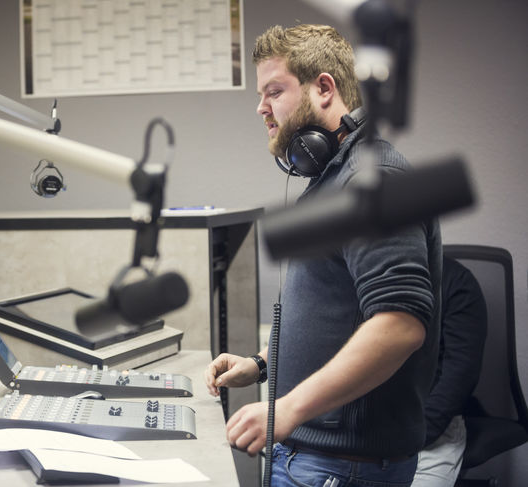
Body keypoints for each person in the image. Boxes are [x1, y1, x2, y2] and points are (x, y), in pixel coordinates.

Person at [204, 24, 442, 486]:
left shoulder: (372, 181)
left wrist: (287, 408)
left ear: (324, 88)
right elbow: (333, 314)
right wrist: (259, 365)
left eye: (274, 91)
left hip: (342, 468)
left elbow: (400, 325)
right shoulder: (333, 179)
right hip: (316, 461)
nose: (261, 108)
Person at [412, 256, 487, 486]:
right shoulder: (365, 278)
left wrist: (415, 436)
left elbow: (460, 374)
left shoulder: (456, 282)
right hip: (366, 427)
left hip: (428, 429)